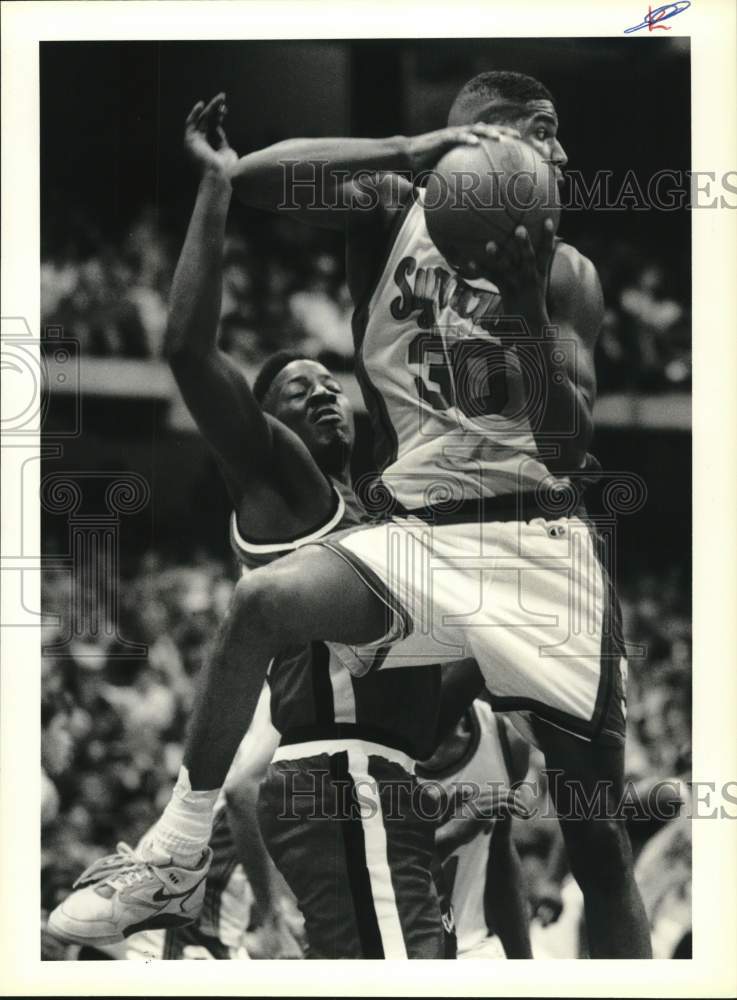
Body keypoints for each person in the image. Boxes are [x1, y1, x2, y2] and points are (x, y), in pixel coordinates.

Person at [54, 67, 652, 958]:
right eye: (541, 128)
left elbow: (565, 444)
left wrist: (524, 308)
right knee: (262, 602)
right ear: (482, 137)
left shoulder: (566, 274)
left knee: (596, 842)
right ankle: (177, 849)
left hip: (538, 540)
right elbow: (255, 175)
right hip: (422, 530)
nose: (561, 152)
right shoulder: (388, 213)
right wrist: (412, 150)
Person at [49, 97, 450, 959]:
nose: (324, 394)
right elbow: (189, 353)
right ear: (265, 426)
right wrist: (216, 188)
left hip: (379, 780)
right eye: (298, 391)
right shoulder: (289, 488)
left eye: (329, 385)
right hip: (337, 775)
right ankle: (175, 856)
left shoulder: (375, 496)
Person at [418, 696, 533, 959]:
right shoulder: (375, 742)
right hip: (399, 952)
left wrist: (524, 963)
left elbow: (499, 855)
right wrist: (452, 835)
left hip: (472, 948)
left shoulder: (504, 736)